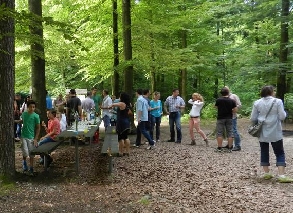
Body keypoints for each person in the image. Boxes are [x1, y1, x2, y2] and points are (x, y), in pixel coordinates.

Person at [251, 85, 293, 183]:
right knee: (279, 152)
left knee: (264, 151)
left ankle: (267, 173)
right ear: (271, 92)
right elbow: (282, 117)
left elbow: (253, 118)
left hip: (262, 131)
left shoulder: (257, 103)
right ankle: (281, 175)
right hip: (275, 130)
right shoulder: (277, 101)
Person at [15, 100, 40, 175]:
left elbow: (38, 128)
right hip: (23, 136)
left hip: (31, 137)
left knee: (31, 153)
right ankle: (24, 162)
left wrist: (35, 139)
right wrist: (16, 121)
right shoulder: (24, 114)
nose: (32, 108)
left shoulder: (36, 116)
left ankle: (31, 168)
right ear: (27, 107)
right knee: (25, 152)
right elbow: (23, 121)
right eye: (30, 107)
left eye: (33, 107)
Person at [214, 87, 237, 152]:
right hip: (229, 118)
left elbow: (215, 107)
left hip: (220, 118)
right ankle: (230, 148)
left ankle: (219, 148)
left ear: (221, 93)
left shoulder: (218, 100)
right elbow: (235, 110)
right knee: (230, 132)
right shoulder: (232, 101)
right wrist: (230, 111)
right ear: (228, 93)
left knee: (219, 132)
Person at [225, 86, 242, 151]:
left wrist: (233, 108)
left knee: (234, 130)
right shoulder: (224, 97)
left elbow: (239, 105)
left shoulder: (234, 96)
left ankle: (237, 145)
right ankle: (229, 144)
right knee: (228, 131)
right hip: (226, 116)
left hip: (233, 116)